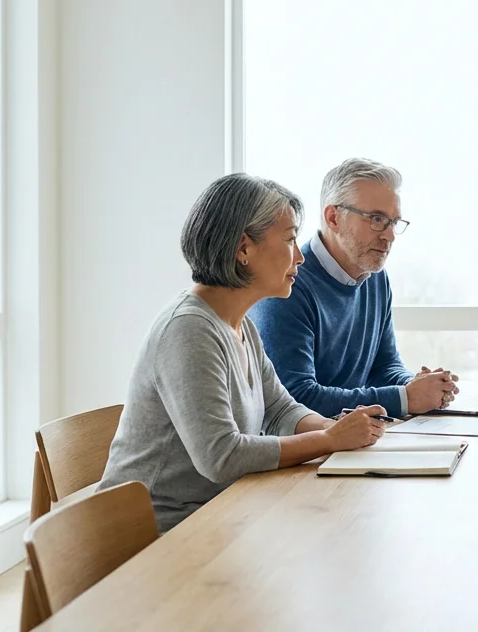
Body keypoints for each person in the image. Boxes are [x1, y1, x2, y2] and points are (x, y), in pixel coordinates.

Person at [98, 174, 388, 532]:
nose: (299, 256)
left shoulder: (240, 324)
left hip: (219, 512)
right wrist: (327, 440)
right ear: (243, 248)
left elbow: (281, 409)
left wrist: (335, 428)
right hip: (157, 532)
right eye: (289, 239)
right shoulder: (188, 330)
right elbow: (221, 457)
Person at [248, 158, 458, 419]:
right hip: (312, 450)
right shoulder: (287, 286)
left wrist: (417, 386)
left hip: (355, 438)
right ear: (333, 217)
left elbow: (383, 366)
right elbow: (296, 398)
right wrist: (405, 398)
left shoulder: (375, 278)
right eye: (377, 219)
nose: (389, 235)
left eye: (394, 222)